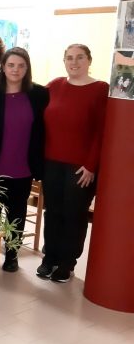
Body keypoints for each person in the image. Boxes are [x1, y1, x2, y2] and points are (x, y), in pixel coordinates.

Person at [38, 44, 108, 283]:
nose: (74, 62)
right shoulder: (55, 85)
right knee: (52, 212)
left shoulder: (100, 89)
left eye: (79, 58)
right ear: (64, 61)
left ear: (89, 60)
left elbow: (101, 131)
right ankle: (49, 258)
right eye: (69, 58)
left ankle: (67, 264)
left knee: (74, 215)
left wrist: (91, 165)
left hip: (81, 167)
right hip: (51, 162)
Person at [0, 47, 48, 273]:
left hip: (23, 167)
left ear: (27, 68)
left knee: (17, 214)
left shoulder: (39, 94)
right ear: (3, 67)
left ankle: (12, 255)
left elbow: (45, 129)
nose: (15, 69)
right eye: (11, 65)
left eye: (21, 65)